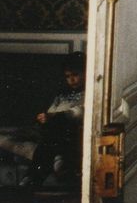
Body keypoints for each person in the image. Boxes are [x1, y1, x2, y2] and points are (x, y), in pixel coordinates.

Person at [0, 52, 85, 187]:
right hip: (48, 130)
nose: (71, 80)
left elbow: (78, 113)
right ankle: (56, 159)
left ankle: (32, 178)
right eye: (68, 76)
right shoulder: (63, 93)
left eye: (75, 75)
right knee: (8, 135)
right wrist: (45, 116)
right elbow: (51, 110)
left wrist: (54, 116)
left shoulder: (88, 93)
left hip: (68, 132)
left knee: (52, 137)